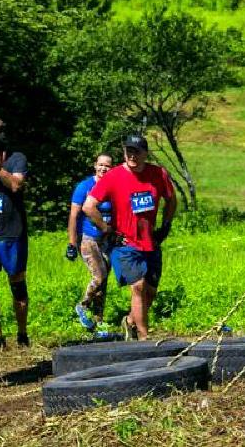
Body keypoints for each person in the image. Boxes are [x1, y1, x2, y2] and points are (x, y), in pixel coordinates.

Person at [83, 135, 176, 341]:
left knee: (150, 292)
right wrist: (107, 229)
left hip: (150, 241)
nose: (132, 155)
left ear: (146, 153)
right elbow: (88, 206)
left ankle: (131, 322)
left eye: (136, 151)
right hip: (125, 242)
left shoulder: (158, 174)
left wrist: (166, 225)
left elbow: (171, 200)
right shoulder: (114, 176)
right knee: (138, 286)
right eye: (128, 151)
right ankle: (144, 338)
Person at [0, 116, 30, 350]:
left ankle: (22, 333)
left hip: (12, 233)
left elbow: (16, 185)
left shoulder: (16, 159)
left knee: (17, 286)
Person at [66, 153, 114, 335]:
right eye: (100, 165)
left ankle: (99, 324)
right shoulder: (85, 186)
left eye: (107, 166)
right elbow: (73, 216)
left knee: (103, 285)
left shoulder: (112, 186)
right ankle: (83, 305)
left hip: (106, 240)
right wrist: (71, 244)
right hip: (88, 238)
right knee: (99, 276)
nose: (103, 169)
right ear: (95, 166)